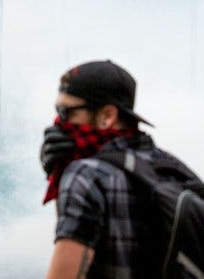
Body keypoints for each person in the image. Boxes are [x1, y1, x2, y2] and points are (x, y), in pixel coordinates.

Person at [39, 60, 157, 279]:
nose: (58, 122)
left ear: (107, 116)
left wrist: (65, 173)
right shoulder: (157, 162)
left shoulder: (85, 177)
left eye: (66, 112)